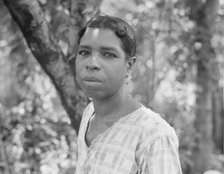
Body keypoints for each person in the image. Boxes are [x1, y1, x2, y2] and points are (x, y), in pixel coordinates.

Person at [75, 15, 182, 174]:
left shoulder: (154, 135)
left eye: (108, 54)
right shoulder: (90, 113)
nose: (92, 64)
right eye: (84, 52)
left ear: (129, 66)